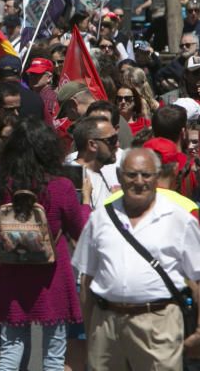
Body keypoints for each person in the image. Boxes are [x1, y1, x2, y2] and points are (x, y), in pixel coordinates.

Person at [73, 147, 200, 370]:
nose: (139, 181)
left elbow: (197, 280)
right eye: (131, 174)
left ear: (156, 177)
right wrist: (91, 328)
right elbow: (87, 279)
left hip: (159, 323)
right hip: (107, 323)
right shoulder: (101, 217)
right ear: (121, 177)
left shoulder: (178, 218)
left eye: (146, 175)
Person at [0, 117, 90, 370]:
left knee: (10, 349)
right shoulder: (62, 186)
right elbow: (81, 230)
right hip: (52, 274)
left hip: (12, 270)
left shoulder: (2, 185)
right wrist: (85, 200)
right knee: (54, 355)